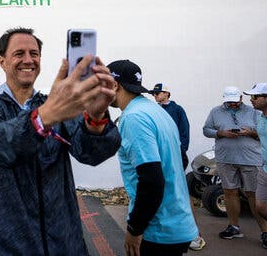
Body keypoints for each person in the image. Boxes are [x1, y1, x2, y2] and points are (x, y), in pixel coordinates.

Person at [0, 27, 120, 255]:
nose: (28, 60)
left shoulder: (54, 104)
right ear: (2, 61)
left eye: (34, 53)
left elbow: (90, 153)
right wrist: (44, 117)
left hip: (63, 243)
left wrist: (95, 118)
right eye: (19, 54)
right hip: (2, 245)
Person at [108, 60, 198, 256]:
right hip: (177, 222)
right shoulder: (156, 111)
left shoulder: (133, 118)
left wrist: (135, 228)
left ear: (114, 85)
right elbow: (180, 160)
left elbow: (151, 181)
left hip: (158, 229)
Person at [203, 86, 267, 242]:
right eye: (229, 101)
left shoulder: (255, 112)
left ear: (240, 98)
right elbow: (206, 130)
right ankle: (234, 227)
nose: (232, 104)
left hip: (251, 159)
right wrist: (221, 133)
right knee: (229, 192)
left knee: (253, 195)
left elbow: (261, 134)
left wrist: (249, 132)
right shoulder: (215, 111)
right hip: (225, 158)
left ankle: (265, 231)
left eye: (235, 101)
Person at [149, 82, 206, 251]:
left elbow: (184, 131)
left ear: (167, 93)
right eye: (154, 93)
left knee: (179, 191)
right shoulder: (155, 110)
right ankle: (170, 232)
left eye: (158, 93)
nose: (155, 96)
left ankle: (194, 235)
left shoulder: (177, 110)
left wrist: (180, 150)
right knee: (164, 192)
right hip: (159, 157)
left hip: (175, 156)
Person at [247, 83, 267, 248]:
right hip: (265, 168)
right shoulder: (261, 118)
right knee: (260, 207)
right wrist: (251, 134)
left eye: (255, 96)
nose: (251, 100)